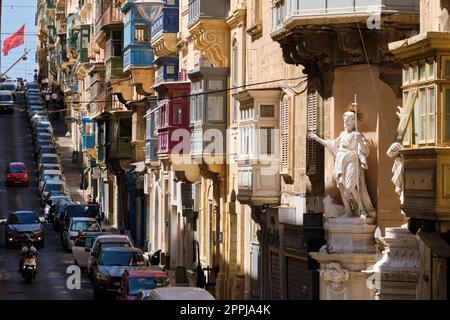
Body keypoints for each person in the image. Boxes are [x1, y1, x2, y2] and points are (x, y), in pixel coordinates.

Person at [311, 110, 376, 218]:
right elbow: (331, 144)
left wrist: (360, 142)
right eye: (345, 121)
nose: (346, 123)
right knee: (341, 186)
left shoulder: (357, 135)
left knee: (350, 186)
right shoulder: (342, 134)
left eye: (348, 121)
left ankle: (361, 209)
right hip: (340, 161)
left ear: (353, 121)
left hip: (351, 160)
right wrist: (318, 139)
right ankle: (348, 211)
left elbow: (364, 151)